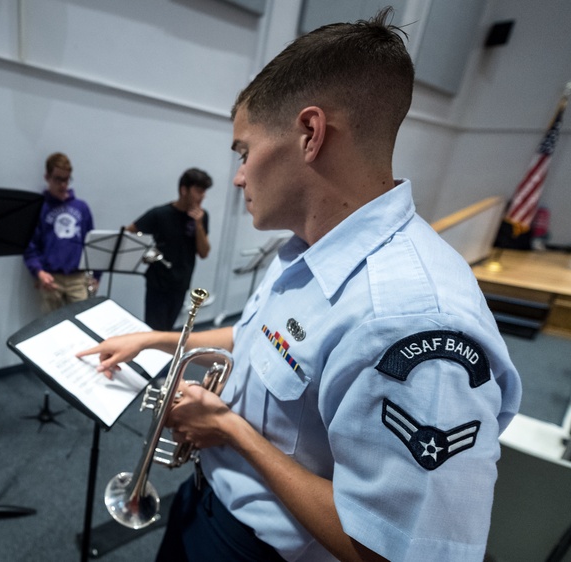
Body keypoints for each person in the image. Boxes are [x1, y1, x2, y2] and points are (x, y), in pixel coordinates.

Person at [79, 9, 522, 562]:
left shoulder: (410, 318)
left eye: (245, 152)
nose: (239, 175)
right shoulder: (306, 248)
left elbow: (396, 551)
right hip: (208, 499)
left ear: (310, 134)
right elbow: (255, 340)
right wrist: (155, 341)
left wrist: (228, 429)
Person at [127, 168, 211, 330]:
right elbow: (129, 232)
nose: (202, 196)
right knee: (154, 330)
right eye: (199, 191)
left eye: (204, 192)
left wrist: (199, 225)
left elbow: (204, 252)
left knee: (168, 328)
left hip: (181, 282)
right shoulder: (160, 214)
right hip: (158, 283)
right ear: (184, 190)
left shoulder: (202, 217)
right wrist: (145, 252)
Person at [23, 152, 97, 312]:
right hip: (51, 278)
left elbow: (92, 243)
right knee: (52, 324)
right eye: (58, 179)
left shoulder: (81, 207)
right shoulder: (40, 208)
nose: (63, 185)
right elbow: (30, 246)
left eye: (66, 179)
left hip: (78, 278)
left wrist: (96, 276)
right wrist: (39, 272)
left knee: (83, 319)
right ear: (47, 177)